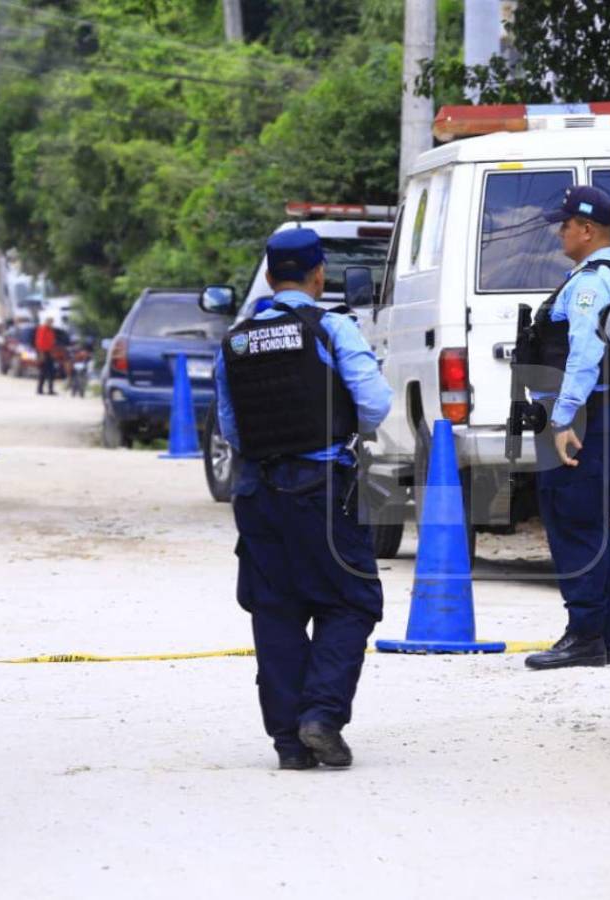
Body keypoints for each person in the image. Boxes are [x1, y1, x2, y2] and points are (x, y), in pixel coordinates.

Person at [213, 227, 392, 771]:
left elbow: (230, 428)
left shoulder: (236, 341)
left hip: (257, 493)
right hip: (323, 490)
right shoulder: (333, 328)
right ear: (319, 275)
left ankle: (289, 744)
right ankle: (320, 715)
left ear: (269, 277)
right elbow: (376, 404)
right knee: (352, 602)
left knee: (276, 610)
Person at [523, 185, 610, 671]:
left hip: (580, 419)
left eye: (565, 225)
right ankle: (606, 635)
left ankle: (586, 634)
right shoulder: (605, 275)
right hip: (590, 415)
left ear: (587, 229)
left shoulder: (592, 284)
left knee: (573, 521)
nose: (560, 233)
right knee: (588, 523)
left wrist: (564, 416)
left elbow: (586, 351)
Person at [35, 317, 57, 395]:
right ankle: (40, 389)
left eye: (52, 322)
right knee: (43, 371)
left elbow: (52, 342)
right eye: (50, 322)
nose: (51, 324)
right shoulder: (42, 329)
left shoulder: (51, 330)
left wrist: (53, 351)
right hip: (43, 352)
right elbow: (39, 341)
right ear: (46, 322)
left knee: (51, 371)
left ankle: (50, 390)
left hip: (49, 352)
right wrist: (41, 353)